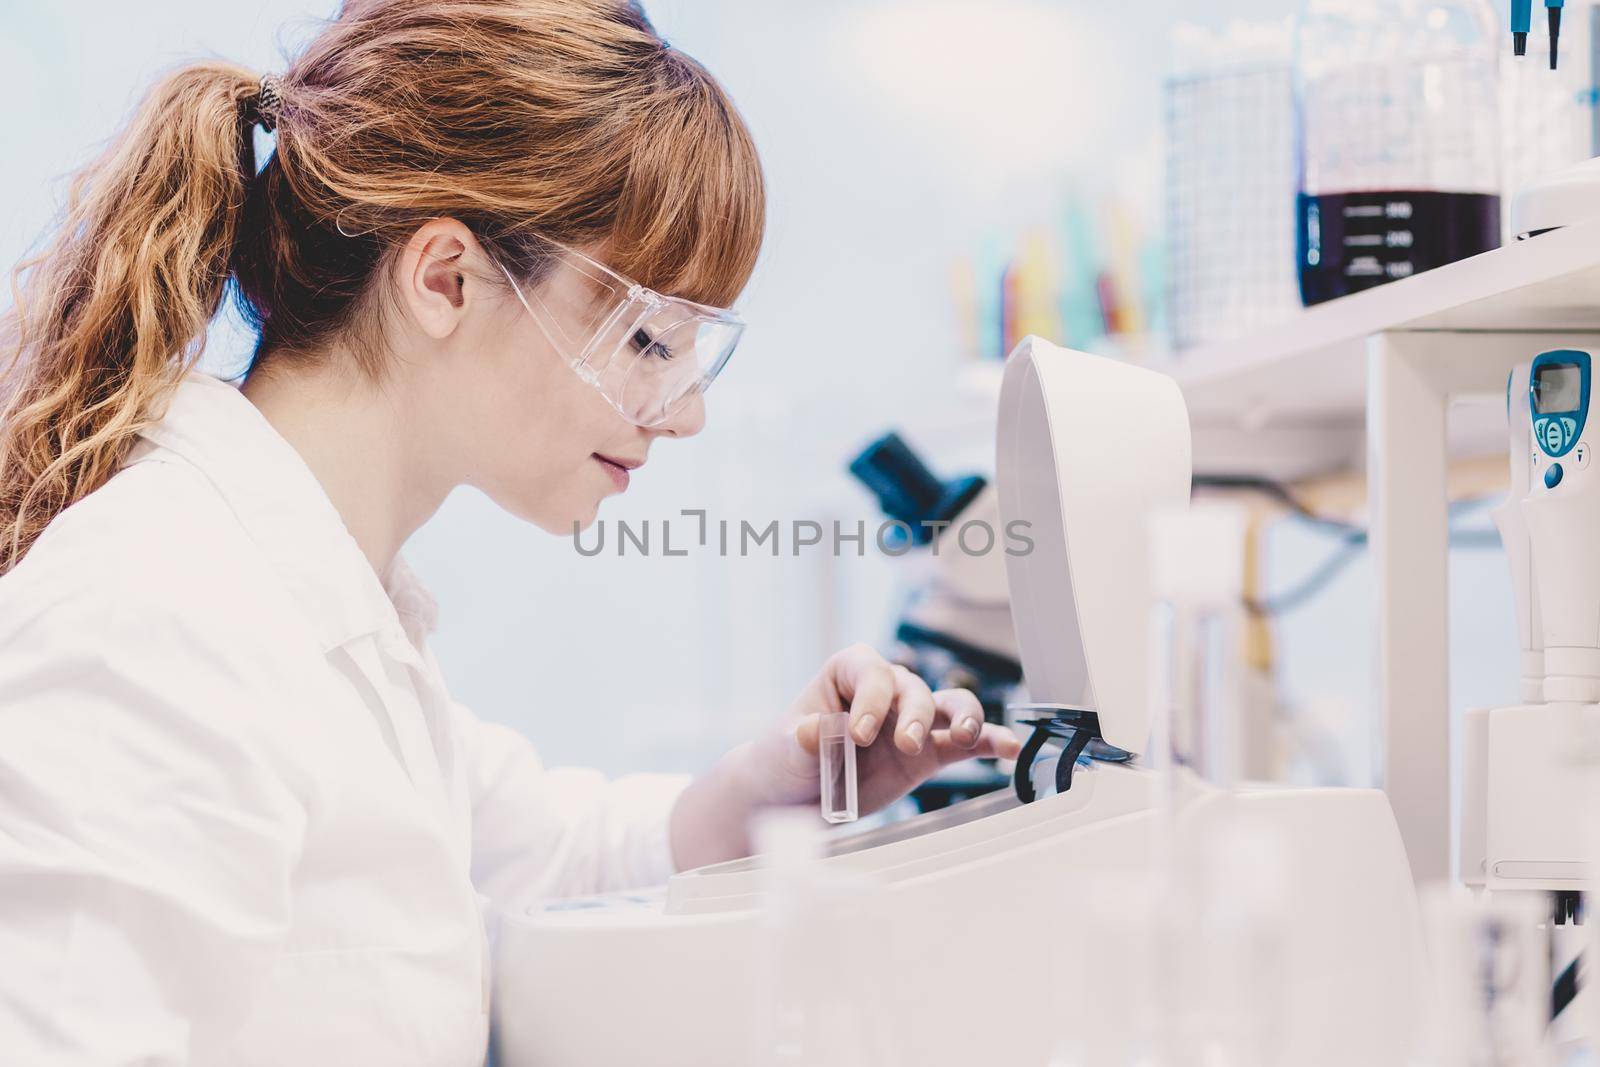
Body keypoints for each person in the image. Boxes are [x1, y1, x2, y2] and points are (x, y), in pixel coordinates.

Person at [0, 1, 1022, 1063]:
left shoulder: (338, 604)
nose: (681, 410)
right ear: (444, 278)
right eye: (643, 335)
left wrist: (777, 786)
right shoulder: (156, 627)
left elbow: (543, 856)